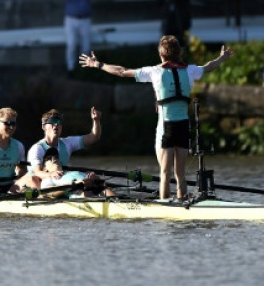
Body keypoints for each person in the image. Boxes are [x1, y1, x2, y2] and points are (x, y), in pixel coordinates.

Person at [79, 36, 234, 201]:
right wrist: (222, 58)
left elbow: (122, 71)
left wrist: (97, 64)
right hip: (183, 126)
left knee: (165, 173)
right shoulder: (190, 70)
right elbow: (208, 67)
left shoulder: (154, 71)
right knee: (180, 173)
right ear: (179, 53)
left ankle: (165, 208)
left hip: (166, 127)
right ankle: (183, 202)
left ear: (161, 55)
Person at [26, 107, 102, 179]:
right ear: (44, 127)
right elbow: (37, 172)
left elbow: (93, 137)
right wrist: (51, 174)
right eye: (52, 121)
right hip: (36, 187)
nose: (56, 124)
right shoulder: (37, 148)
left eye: (58, 122)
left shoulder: (67, 143)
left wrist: (96, 120)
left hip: (59, 183)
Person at [38, 147, 114, 198]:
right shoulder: (48, 180)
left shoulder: (74, 172)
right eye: (48, 158)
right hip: (81, 195)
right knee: (87, 193)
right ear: (45, 169)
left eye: (56, 157)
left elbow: (95, 181)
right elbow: (52, 193)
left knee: (104, 189)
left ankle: (116, 201)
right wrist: (74, 184)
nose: (53, 158)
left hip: (95, 190)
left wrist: (96, 178)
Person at [58, 0, 93, 72]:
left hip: (85, 19)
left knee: (86, 46)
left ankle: (84, 68)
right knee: (71, 45)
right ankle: (71, 68)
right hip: (71, 19)